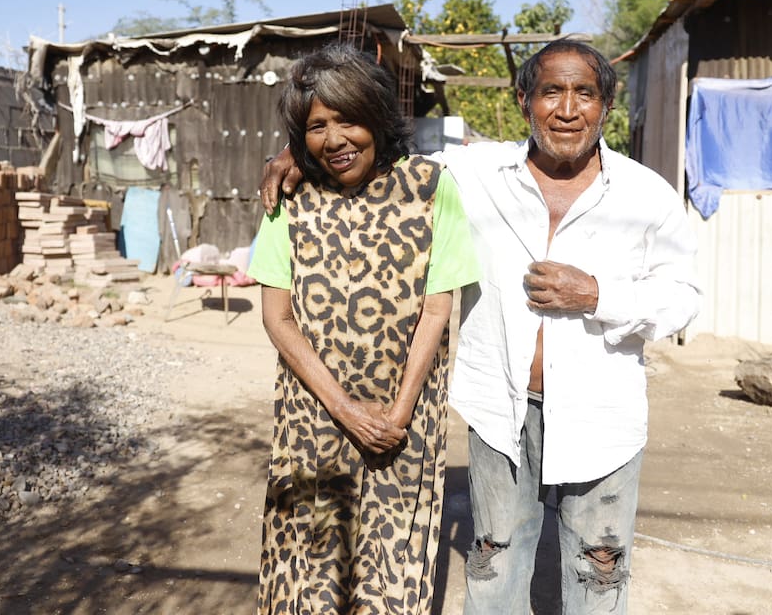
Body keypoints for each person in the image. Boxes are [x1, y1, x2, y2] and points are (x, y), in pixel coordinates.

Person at [263, 39, 700, 614]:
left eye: (584, 93)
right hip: (501, 412)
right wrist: (298, 152)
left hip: (603, 419)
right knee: (494, 560)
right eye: (551, 92)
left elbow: (683, 299)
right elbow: (374, 151)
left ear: (606, 106)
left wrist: (597, 294)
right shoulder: (473, 173)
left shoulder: (648, 196)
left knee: (600, 568)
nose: (567, 109)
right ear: (524, 101)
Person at [247, 43, 478, 615]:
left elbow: (437, 309)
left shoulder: (431, 188)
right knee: (310, 567)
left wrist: (396, 414)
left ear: (376, 115)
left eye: (347, 118)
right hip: (314, 422)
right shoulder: (290, 197)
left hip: (405, 426)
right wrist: (346, 410)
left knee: (393, 568)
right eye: (317, 126)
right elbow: (277, 316)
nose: (335, 139)